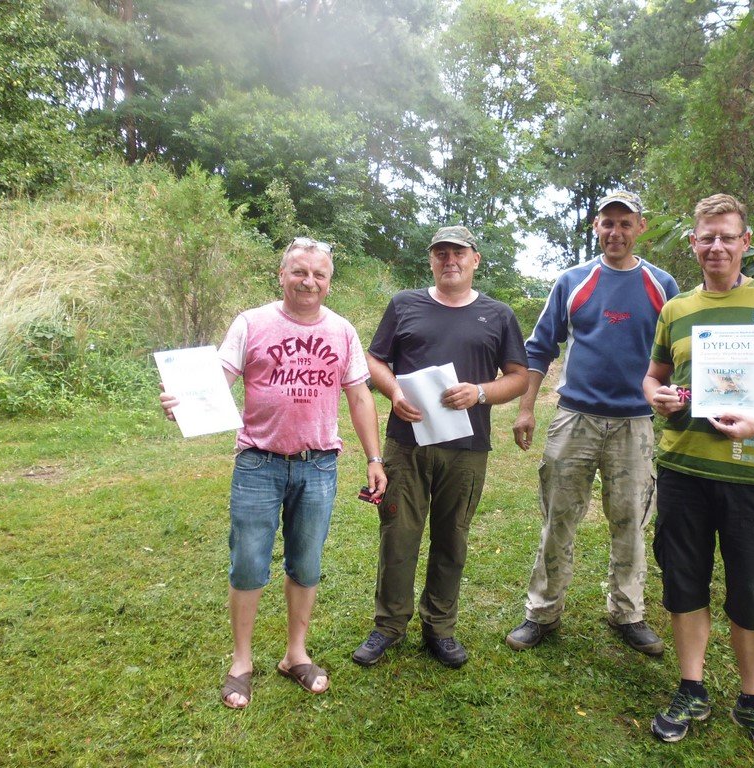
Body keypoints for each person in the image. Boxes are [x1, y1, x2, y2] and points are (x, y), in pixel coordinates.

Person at [160, 237, 387, 709]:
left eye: (319, 274)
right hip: (258, 463)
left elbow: (360, 395)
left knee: (306, 564)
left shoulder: (342, 331)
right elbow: (216, 382)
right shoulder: (252, 323)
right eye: (299, 272)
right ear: (281, 275)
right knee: (248, 563)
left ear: (329, 282)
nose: (309, 282)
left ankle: (295, 655)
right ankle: (241, 662)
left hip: (318, 465)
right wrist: (183, 402)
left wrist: (374, 458)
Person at [643, 194, 754, 765]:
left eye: (727, 236)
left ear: (745, 242)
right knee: (684, 581)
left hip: (752, 473)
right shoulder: (676, 308)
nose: (716, 246)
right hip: (683, 468)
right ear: (693, 244)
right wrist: (659, 397)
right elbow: (653, 377)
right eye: (706, 237)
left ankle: (752, 700)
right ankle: (691, 689)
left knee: (750, 587)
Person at [505, 190, 679, 656]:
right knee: (558, 519)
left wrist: (677, 399)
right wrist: (526, 408)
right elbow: (540, 347)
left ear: (641, 227)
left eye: (625, 223)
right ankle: (542, 612)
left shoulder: (662, 285)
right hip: (575, 419)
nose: (615, 232)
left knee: (631, 521)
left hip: (634, 423)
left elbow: (678, 352)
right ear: (596, 227)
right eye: (608, 223)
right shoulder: (573, 281)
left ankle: (628, 612)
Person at [351, 225, 528, 669]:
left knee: (452, 537)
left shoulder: (498, 314)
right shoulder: (404, 304)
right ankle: (389, 625)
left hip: (467, 448)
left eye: (458, 253)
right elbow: (374, 359)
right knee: (398, 535)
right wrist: (394, 391)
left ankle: (440, 627)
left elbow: (518, 377)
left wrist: (480, 393)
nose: (450, 260)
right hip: (406, 444)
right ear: (431, 260)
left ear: (475, 259)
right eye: (441, 253)